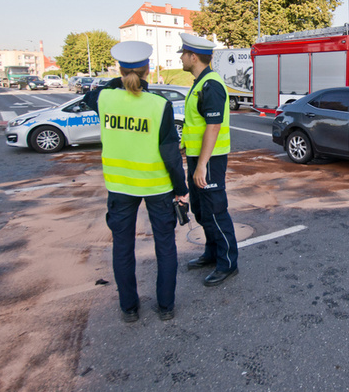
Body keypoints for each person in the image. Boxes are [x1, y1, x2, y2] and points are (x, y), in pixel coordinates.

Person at [82, 41, 189, 323]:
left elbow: (93, 94)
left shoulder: (104, 99)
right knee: (165, 246)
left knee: (122, 246)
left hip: (119, 187)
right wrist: (181, 189)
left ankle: (129, 308)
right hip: (156, 186)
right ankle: (166, 306)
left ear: (119, 69)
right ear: (148, 69)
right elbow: (170, 153)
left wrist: (120, 79)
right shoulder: (159, 105)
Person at [179, 32, 239, 287]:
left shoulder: (210, 84)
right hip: (198, 158)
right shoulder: (199, 82)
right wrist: (187, 149)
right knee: (202, 211)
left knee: (215, 211)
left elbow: (213, 127)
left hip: (210, 161)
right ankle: (212, 253)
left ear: (193, 56)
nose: (180, 58)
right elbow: (197, 124)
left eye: (183, 54)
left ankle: (227, 262)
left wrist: (202, 164)